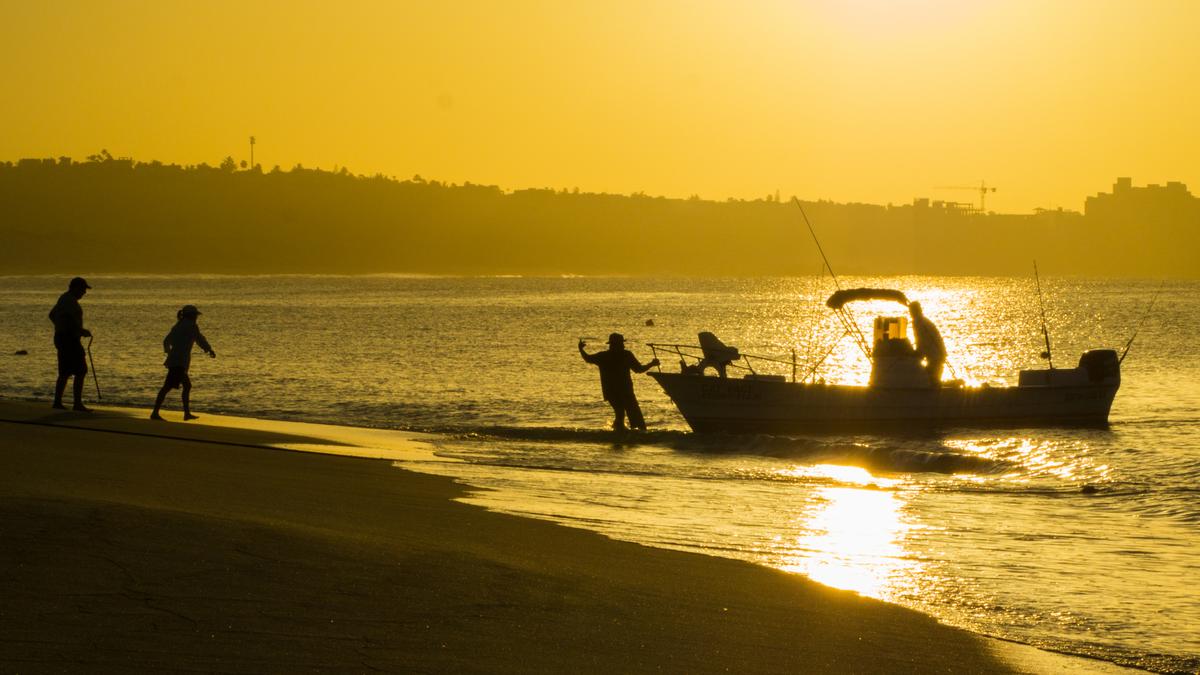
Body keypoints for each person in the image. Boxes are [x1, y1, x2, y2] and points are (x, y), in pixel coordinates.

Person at [579, 333, 660, 431]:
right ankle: (637, 432)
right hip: (625, 390)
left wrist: (581, 349)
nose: (623, 345)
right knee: (633, 413)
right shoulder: (626, 355)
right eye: (621, 343)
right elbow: (639, 369)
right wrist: (652, 364)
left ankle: (619, 431)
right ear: (616, 344)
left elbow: (587, 358)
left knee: (620, 413)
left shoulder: (604, 356)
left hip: (610, 391)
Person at [151, 305, 216, 421]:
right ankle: (158, 413)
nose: (196, 317)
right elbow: (199, 339)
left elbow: (166, 341)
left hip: (175, 361)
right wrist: (209, 349)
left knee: (178, 386)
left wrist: (170, 353)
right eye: (195, 315)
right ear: (191, 316)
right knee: (171, 387)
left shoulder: (178, 325)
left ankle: (184, 413)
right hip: (179, 363)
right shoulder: (191, 326)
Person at [48, 276, 93, 411]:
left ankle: (58, 402)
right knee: (80, 370)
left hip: (63, 338)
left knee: (65, 371)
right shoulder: (69, 301)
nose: (84, 292)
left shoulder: (64, 298)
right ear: (75, 288)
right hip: (69, 339)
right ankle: (77, 404)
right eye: (83, 289)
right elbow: (69, 319)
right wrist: (80, 330)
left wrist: (59, 326)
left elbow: (52, 315)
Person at [909, 301, 946, 386]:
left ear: (914, 311)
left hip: (935, 356)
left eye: (911, 311)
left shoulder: (918, 322)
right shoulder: (924, 321)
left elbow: (920, 340)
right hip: (938, 354)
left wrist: (917, 353)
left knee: (930, 380)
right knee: (930, 378)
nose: (910, 313)